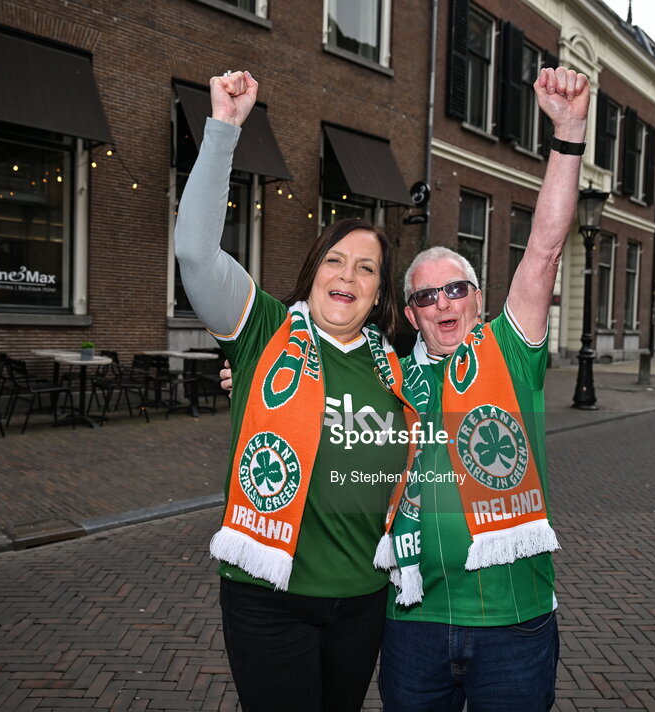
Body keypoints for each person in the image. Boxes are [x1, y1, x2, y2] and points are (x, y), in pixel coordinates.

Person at [175, 70, 416, 712]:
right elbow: (196, 254)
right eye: (336, 260)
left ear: (377, 292)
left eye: (366, 268)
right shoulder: (264, 334)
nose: (349, 274)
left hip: (365, 599)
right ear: (313, 273)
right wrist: (224, 128)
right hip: (268, 597)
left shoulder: (398, 368)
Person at [376, 66, 590, 712]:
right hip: (413, 620)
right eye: (426, 296)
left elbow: (545, 250)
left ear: (478, 299)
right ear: (411, 315)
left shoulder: (506, 350)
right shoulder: (387, 372)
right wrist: (238, 378)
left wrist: (569, 133)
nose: (443, 303)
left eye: (457, 289)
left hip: (513, 622)